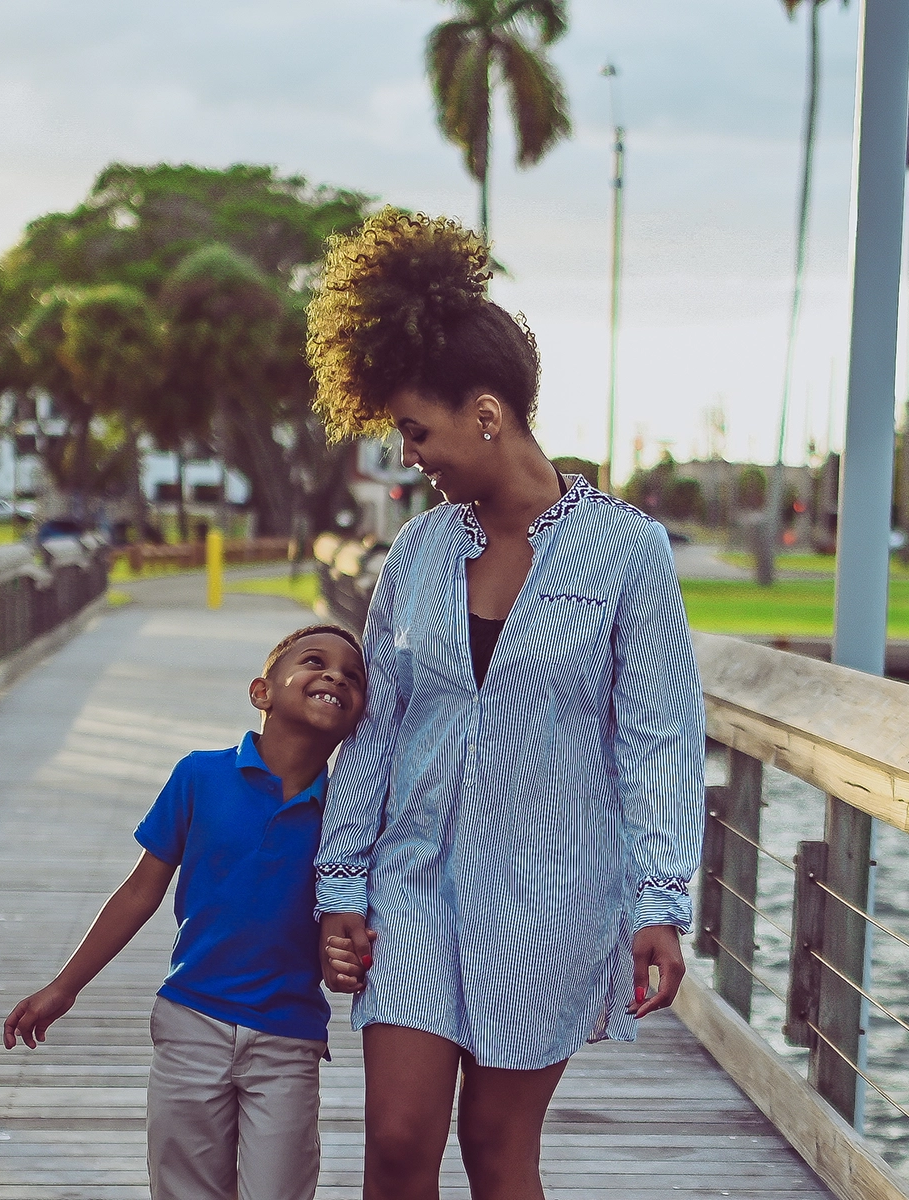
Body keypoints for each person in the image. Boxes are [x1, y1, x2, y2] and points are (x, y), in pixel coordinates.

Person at [305, 209, 706, 1200]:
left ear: (487, 412)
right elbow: (380, 726)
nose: (410, 454)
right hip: (414, 880)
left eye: (417, 429)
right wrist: (342, 882)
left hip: (553, 893)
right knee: (398, 1141)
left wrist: (660, 900)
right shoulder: (419, 552)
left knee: (494, 1146)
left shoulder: (628, 551)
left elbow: (659, 734)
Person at [2, 624, 368, 1200]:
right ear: (261, 692)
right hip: (190, 1021)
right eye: (315, 662)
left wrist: (343, 958)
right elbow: (138, 892)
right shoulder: (200, 776)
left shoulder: (351, 810)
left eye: (353, 676)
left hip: (287, 1036)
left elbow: (346, 915)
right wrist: (64, 987)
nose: (334, 677)